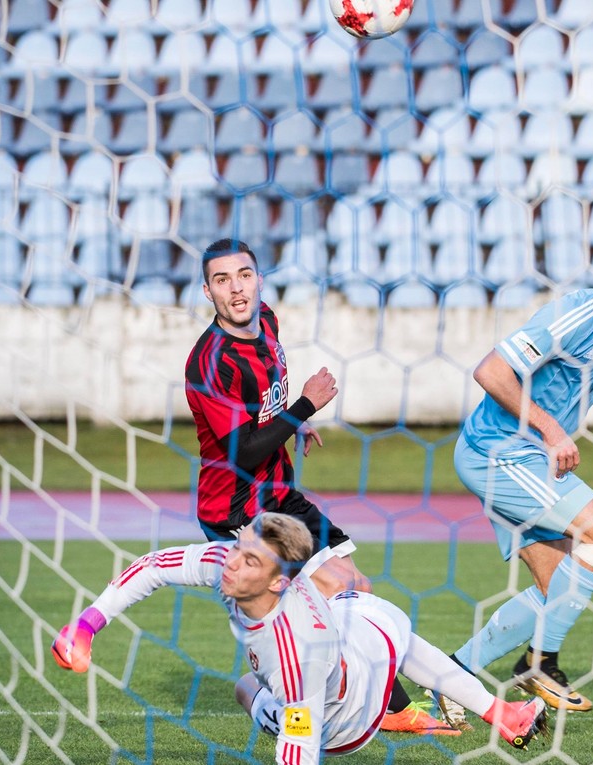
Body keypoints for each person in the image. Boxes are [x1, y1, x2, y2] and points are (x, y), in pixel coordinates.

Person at [183, 238, 451, 734]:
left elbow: (262, 410)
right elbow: (242, 452)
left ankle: (287, 695)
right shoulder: (211, 362)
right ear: (207, 291)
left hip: (279, 494)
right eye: (222, 280)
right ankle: (363, 709)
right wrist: (304, 406)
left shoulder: (267, 321)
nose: (236, 288)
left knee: (357, 588)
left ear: (259, 279)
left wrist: (293, 422)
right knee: (327, 597)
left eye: (244, 275)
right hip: (238, 510)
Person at [51, 513, 547, 764]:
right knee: (249, 684)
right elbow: (153, 567)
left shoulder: (296, 654)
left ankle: (412, 713)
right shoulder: (228, 564)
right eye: (239, 547)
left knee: (376, 620)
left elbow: (301, 743)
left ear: (277, 583)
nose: (231, 562)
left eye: (249, 560)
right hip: (341, 657)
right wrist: (86, 625)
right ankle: (502, 714)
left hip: (346, 721)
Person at [433, 228, 593, 727]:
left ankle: (451, 677)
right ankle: (539, 665)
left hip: (526, 458)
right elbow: (490, 371)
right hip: (496, 451)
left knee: (557, 595)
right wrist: (551, 432)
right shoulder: (579, 314)